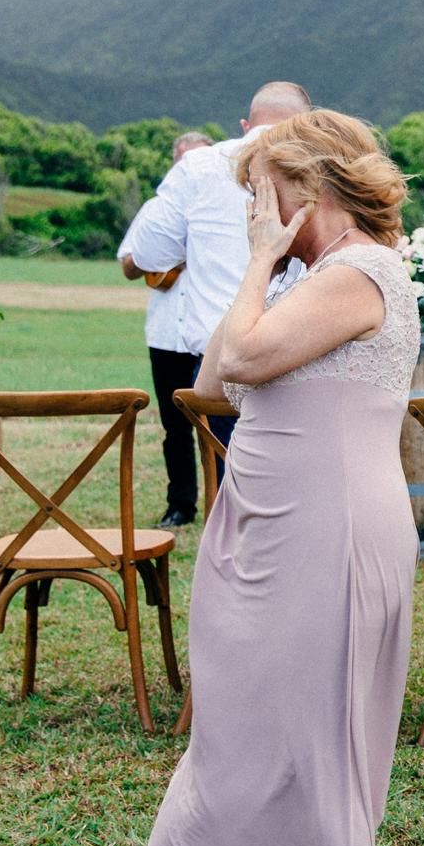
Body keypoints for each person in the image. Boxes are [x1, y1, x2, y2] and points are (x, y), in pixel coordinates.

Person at [134, 109, 424, 846]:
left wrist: (258, 257)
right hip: (271, 527)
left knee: (316, 737)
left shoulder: (364, 270)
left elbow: (246, 354)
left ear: (312, 183)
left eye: (264, 186)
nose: (254, 205)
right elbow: (218, 378)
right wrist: (267, 263)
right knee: (253, 721)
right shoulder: (312, 276)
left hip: (329, 533)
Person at [121, 81, 313, 525]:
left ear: (247, 122)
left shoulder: (199, 167)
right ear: (308, 120)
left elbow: (145, 253)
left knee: (234, 506)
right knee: (294, 501)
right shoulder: (327, 166)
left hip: (223, 364)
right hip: (307, 353)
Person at [119, 130, 214, 521]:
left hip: (211, 331)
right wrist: (171, 257)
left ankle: (224, 505)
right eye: (184, 161)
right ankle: (181, 505)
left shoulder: (226, 209)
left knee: (219, 423)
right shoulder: (155, 210)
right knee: (174, 428)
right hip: (165, 333)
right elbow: (127, 264)